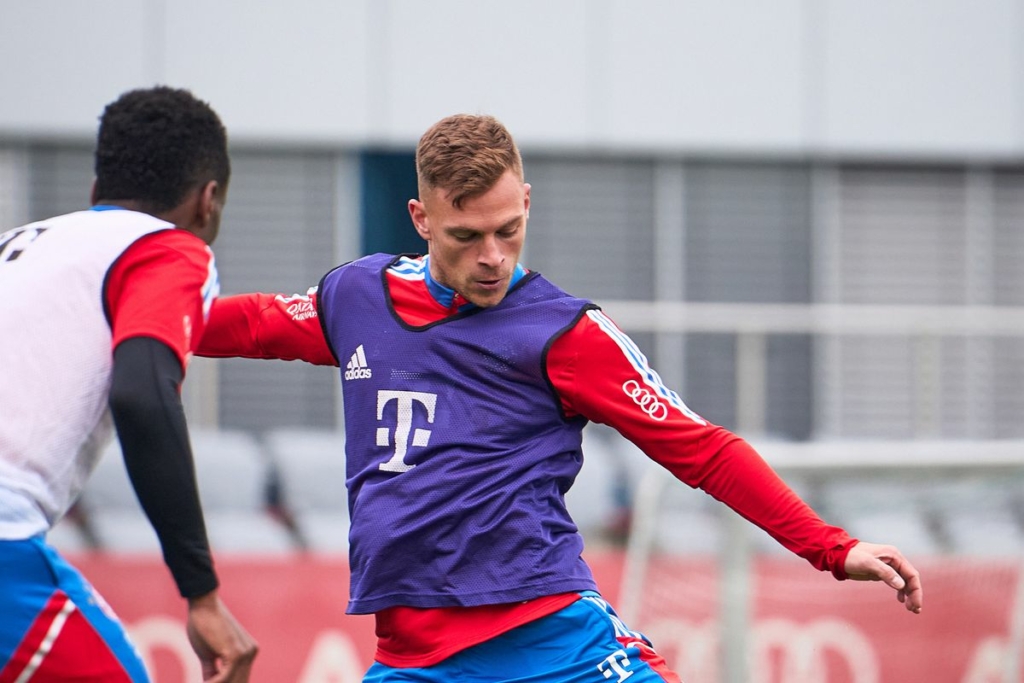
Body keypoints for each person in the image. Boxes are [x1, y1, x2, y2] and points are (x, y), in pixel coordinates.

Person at [198, 113, 923, 682]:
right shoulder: (357, 296)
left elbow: (702, 449)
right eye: (467, 235)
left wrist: (835, 546)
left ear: (528, 203)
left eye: (509, 229)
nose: (493, 256)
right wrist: (129, 324)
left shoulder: (566, 332)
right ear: (421, 219)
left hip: (551, 641)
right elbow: (255, 324)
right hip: (412, 660)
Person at [0, 86, 257, 682]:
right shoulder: (166, 249)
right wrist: (202, 594)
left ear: (96, 193)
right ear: (208, 202)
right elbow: (142, 393)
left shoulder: (21, 246)